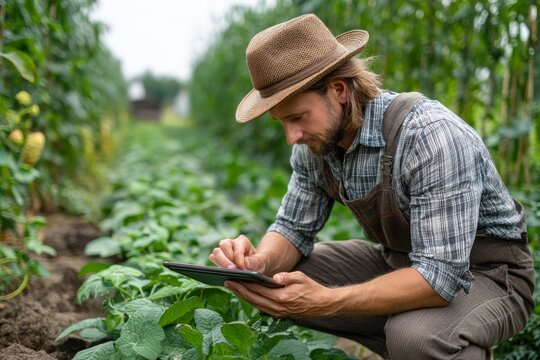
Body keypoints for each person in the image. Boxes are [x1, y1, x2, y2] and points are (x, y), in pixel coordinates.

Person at [209, 14, 535, 359]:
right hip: (402, 263)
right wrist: (260, 264)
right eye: (282, 123)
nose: (292, 137)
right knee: (280, 279)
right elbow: (292, 228)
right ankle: (407, 342)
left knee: (414, 337)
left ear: (338, 91)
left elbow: (440, 275)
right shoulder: (316, 144)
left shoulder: (429, 137)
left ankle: (428, 342)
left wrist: (326, 302)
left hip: (486, 275)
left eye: (297, 117)